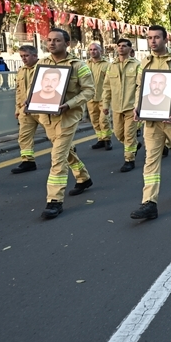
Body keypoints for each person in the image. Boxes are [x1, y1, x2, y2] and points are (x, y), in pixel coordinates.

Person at [129, 25, 171, 221]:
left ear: (166, 39)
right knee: (151, 159)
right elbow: (140, 87)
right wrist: (137, 107)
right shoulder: (144, 63)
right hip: (151, 120)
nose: (153, 41)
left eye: (157, 37)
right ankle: (149, 202)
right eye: (150, 38)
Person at [34, 28, 95, 219]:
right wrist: (29, 102)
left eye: (57, 40)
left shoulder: (78, 65)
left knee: (57, 157)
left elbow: (89, 91)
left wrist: (69, 104)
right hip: (47, 117)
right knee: (64, 151)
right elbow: (35, 87)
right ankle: (83, 178)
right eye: (49, 40)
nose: (52, 43)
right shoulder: (42, 64)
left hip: (68, 117)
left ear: (67, 44)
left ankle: (54, 200)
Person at [102, 38, 140, 172]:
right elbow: (107, 87)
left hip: (131, 107)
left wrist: (138, 105)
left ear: (130, 48)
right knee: (119, 134)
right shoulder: (111, 66)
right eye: (119, 46)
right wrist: (105, 104)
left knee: (129, 135)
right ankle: (134, 145)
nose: (121, 48)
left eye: (124, 46)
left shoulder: (137, 65)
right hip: (117, 107)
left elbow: (140, 86)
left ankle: (129, 160)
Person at [11, 45, 41, 174]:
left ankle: (68, 152)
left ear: (35, 55)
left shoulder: (44, 68)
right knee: (24, 136)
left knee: (55, 135)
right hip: (25, 110)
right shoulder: (21, 70)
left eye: (26, 56)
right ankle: (28, 161)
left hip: (42, 108)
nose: (23, 58)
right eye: (22, 56)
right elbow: (19, 91)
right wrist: (17, 108)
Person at [86, 42, 112, 150]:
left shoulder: (107, 65)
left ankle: (107, 140)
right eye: (91, 50)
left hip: (103, 97)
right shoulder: (86, 64)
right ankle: (100, 139)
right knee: (95, 120)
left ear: (100, 51)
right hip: (91, 98)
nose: (92, 51)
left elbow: (110, 81)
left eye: (95, 49)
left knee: (104, 120)